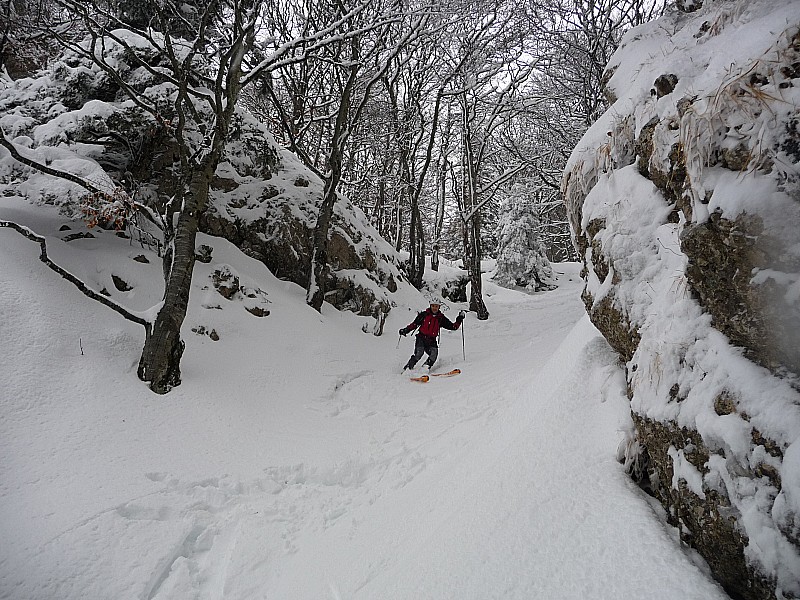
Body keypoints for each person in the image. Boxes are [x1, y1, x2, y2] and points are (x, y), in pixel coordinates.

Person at [399, 301, 465, 371]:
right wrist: (406, 330)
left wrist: (459, 319)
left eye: (436, 306)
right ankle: (408, 368)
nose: (434, 308)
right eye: (433, 306)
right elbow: (414, 324)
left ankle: (425, 368)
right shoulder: (424, 315)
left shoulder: (441, 318)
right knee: (419, 353)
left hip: (431, 340)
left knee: (434, 355)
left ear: (439, 307)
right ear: (430, 306)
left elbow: (453, 327)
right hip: (421, 338)